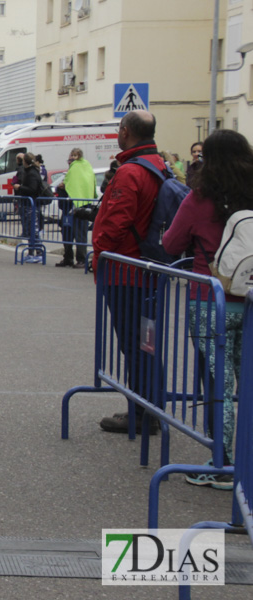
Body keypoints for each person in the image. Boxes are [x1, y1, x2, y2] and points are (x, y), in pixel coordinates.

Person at [161, 129, 253, 491]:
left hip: (210, 300)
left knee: (219, 384)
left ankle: (223, 462)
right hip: (249, 300)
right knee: (245, 381)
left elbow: (172, 243)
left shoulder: (201, 198)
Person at [93, 110, 167, 434]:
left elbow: (116, 221)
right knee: (146, 344)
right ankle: (150, 408)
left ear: (124, 132)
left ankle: (142, 414)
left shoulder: (130, 173)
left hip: (126, 271)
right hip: (147, 270)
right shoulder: (159, 166)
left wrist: (99, 249)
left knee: (134, 344)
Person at [55, 148, 96, 268]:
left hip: (80, 206)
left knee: (80, 234)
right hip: (69, 207)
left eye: (75, 155)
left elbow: (82, 184)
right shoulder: (72, 169)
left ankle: (81, 259)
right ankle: (67, 258)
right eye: (71, 155)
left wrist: (64, 186)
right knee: (66, 232)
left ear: (80, 156)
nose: (73, 157)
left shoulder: (83, 167)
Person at [12, 152, 44, 263]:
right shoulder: (30, 171)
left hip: (31, 204)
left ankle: (38, 253)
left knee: (33, 230)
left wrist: (20, 187)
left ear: (25, 161)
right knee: (31, 230)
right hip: (29, 204)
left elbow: (32, 189)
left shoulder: (32, 173)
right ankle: (32, 252)